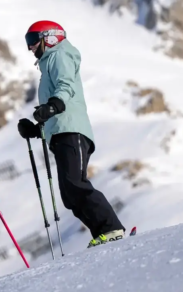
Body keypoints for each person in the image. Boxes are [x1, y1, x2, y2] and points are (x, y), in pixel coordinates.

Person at [18, 20, 126, 248]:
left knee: (75, 182)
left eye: (32, 40)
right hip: (61, 130)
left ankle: (111, 228)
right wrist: (38, 128)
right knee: (69, 193)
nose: (30, 47)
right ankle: (103, 234)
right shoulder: (48, 62)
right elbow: (56, 103)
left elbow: (65, 86)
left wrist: (53, 105)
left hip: (71, 130)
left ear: (49, 37)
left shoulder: (59, 55)